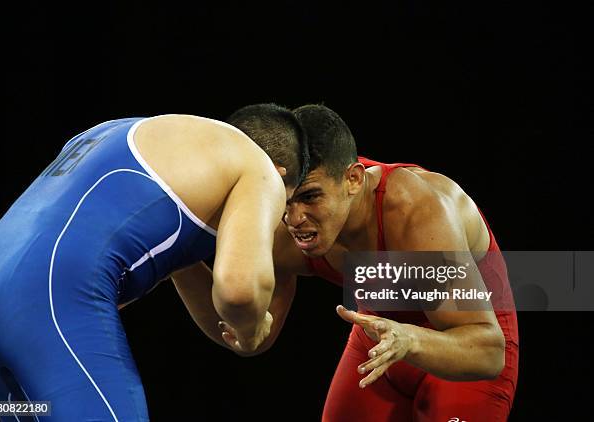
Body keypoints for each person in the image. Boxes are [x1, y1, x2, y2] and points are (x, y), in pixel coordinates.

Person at [0, 104, 308, 421]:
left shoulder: (121, 133)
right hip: (50, 300)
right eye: (284, 206)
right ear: (281, 177)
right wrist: (252, 328)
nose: (286, 219)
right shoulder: (261, 168)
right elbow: (239, 292)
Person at [215, 104, 519, 421]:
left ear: (354, 180)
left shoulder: (414, 213)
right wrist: (180, 267)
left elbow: (489, 354)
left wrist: (411, 339)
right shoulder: (284, 229)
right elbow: (250, 339)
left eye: (310, 197)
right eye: (285, 198)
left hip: (464, 338)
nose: (293, 219)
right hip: (381, 334)